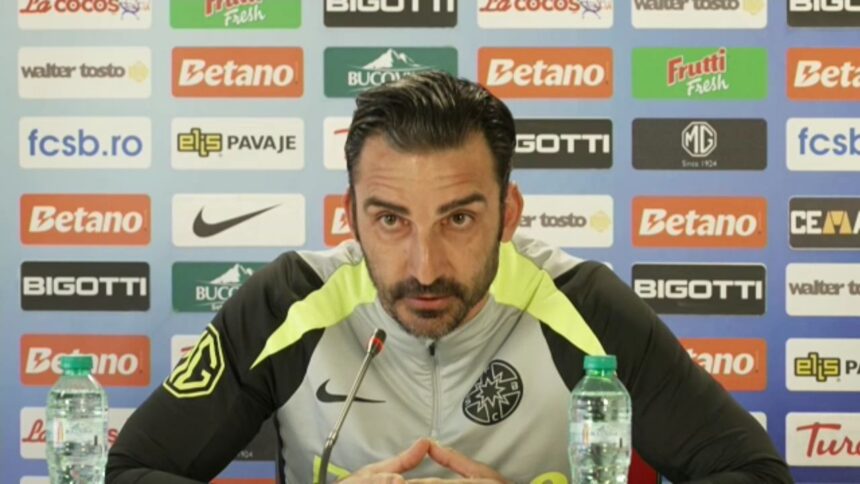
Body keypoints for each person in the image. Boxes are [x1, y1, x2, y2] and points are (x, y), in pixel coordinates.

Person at [106, 71, 793, 483]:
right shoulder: (288, 302)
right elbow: (132, 469)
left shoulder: (583, 304)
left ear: (508, 213)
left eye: (459, 219)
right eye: (390, 220)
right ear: (350, 215)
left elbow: (755, 475)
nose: (425, 267)